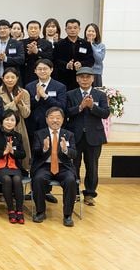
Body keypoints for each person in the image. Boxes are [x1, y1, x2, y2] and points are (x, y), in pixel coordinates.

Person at [66, 67, 109, 206]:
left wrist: (92, 107)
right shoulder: (70, 94)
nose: (85, 79)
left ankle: (90, 194)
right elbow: (66, 112)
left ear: (93, 79)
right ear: (77, 79)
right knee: (74, 165)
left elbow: (105, 113)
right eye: (82, 77)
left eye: (88, 77)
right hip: (75, 136)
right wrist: (80, 107)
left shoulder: (100, 95)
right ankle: (74, 192)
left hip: (94, 136)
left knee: (92, 166)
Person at [30, 107, 78, 226]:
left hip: (64, 167)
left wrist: (65, 149)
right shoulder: (39, 134)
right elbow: (35, 152)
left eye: (58, 118)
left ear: (63, 119)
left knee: (70, 180)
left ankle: (67, 215)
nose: (55, 120)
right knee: (38, 179)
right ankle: (40, 212)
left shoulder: (69, 134)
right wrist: (44, 148)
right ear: (47, 119)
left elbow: (74, 154)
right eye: (52, 117)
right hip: (44, 166)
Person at [0, 110, 28, 224]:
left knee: (17, 179)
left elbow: (23, 154)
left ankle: (19, 210)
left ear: (16, 123)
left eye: (12, 120)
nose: (9, 122)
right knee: (7, 179)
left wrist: (13, 152)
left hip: (13, 166)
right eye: (7, 119)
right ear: (2, 121)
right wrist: (3, 152)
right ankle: (10, 210)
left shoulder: (18, 136)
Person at [0, 67, 32, 169]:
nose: (10, 80)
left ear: (17, 78)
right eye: (7, 77)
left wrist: (20, 102)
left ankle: (22, 170)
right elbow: (0, 112)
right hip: (3, 126)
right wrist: (14, 102)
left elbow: (26, 114)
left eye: (12, 77)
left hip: (19, 126)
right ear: (3, 78)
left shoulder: (24, 93)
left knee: (20, 152)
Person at [25, 59, 66, 140]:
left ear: (51, 70)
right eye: (39, 69)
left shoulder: (60, 86)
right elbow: (28, 106)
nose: (42, 71)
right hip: (33, 125)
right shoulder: (29, 86)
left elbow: (61, 106)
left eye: (45, 69)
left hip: (52, 124)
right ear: (35, 71)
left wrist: (45, 96)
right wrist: (37, 97)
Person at [53, 18, 94, 90]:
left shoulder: (86, 44)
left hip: (82, 77)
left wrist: (81, 64)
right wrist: (66, 65)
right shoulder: (59, 44)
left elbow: (91, 60)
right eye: (70, 28)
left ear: (79, 29)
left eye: (75, 28)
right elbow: (55, 60)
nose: (72, 30)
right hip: (63, 77)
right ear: (66, 30)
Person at [0, 19, 25, 88]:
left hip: (12, 80)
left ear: (10, 30)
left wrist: (6, 59)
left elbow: (21, 59)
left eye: (5, 28)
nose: (2, 30)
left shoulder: (17, 44)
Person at [21, 20, 53, 84]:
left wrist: (37, 52)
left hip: (42, 73)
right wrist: (28, 53)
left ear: (40, 30)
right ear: (27, 30)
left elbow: (50, 58)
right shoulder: (21, 43)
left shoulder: (47, 43)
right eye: (31, 28)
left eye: (35, 28)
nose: (33, 30)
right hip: (25, 73)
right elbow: (20, 59)